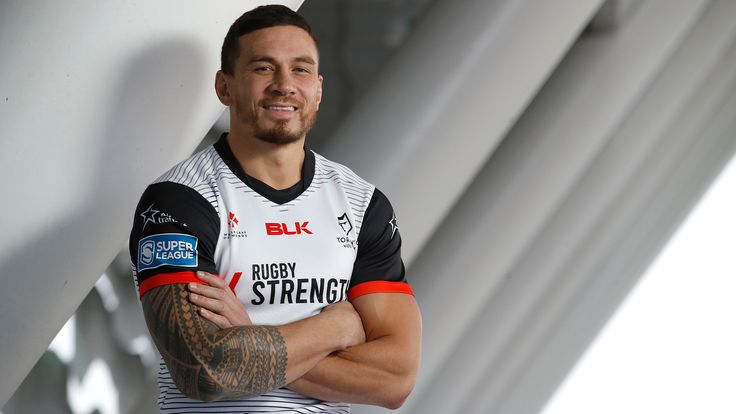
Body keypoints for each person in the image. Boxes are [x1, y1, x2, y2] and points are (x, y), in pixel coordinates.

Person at [128, 5, 422, 413]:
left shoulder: (362, 204)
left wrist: (248, 335)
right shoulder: (180, 201)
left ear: (318, 88)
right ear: (224, 87)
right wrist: (335, 326)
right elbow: (205, 370)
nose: (284, 85)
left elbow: (395, 380)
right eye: (263, 68)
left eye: (301, 70)